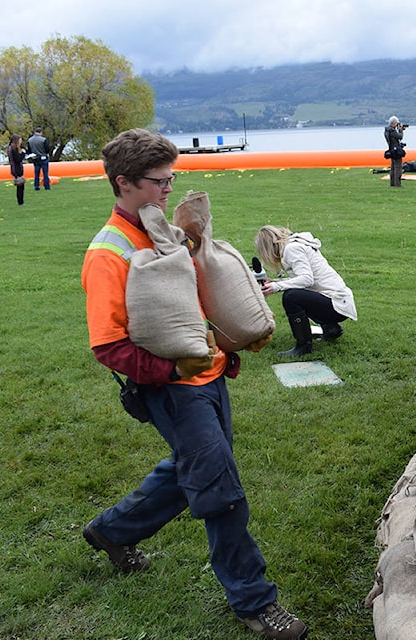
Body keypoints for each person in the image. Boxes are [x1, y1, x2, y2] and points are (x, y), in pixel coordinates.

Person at [80, 128, 307, 640]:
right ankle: (255, 602)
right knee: (219, 488)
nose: (169, 188)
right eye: (160, 181)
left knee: (197, 468)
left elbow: (189, 308)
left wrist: (225, 347)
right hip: (171, 389)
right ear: (124, 183)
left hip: (208, 378)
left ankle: (111, 531)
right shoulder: (108, 253)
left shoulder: (166, 233)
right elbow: (108, 346)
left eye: (171, 177)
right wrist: (172, 372)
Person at [255, 225, 357, 358]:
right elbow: (306, 278)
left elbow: (307, 279)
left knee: (291, 296)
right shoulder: (295, 245)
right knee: (297, 294)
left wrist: (277, 287)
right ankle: (331, 329)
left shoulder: (292, 249)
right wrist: (276, 282)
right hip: (340, 301)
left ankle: (304, 345)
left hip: (336, 303)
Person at [384, 116, 406, 187]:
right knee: (398, 168)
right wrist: (401, 130)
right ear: (394, 123)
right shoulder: (392, 131)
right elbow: (400, 137)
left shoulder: (387, 130)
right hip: (396, 151)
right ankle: (397, 184)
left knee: (393, 168)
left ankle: (392, 183)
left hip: (392, 150)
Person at [7, 134, 26, 206]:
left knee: (20, 186)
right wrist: (23, 154)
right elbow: (18, 159)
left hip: (15, 168)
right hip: (17, 169)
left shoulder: (11, 148)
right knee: (20, 186)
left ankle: (21, 201)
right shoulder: (13, 149)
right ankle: (20, 201)